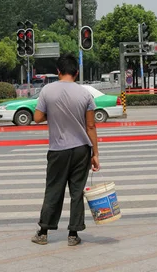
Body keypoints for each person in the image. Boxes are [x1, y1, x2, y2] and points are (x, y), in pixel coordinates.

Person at [31, 53, 100, 247]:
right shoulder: (85, 93)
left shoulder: (47, 91)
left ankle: (43, 232)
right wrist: (95, 154)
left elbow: (37, 118)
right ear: (76, 72)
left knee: (54, 189)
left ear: (58, 71)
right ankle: (73, 234)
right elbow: (91, 126)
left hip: (58, 150)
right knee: (77, 192)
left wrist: (52, 116)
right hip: (81, 150)